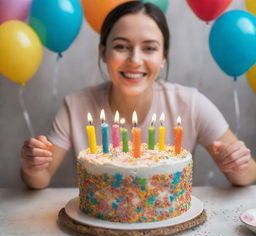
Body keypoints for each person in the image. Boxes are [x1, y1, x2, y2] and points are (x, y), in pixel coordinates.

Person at [20, 1, 256, 189]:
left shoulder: (190, 104)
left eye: (149, 48)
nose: (134, 60)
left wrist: (237, 163)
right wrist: (34, 167)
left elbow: (247, 175)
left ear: (164, 57)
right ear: (103, 52)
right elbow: (40, 179)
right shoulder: (76, 106)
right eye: (121, 46)